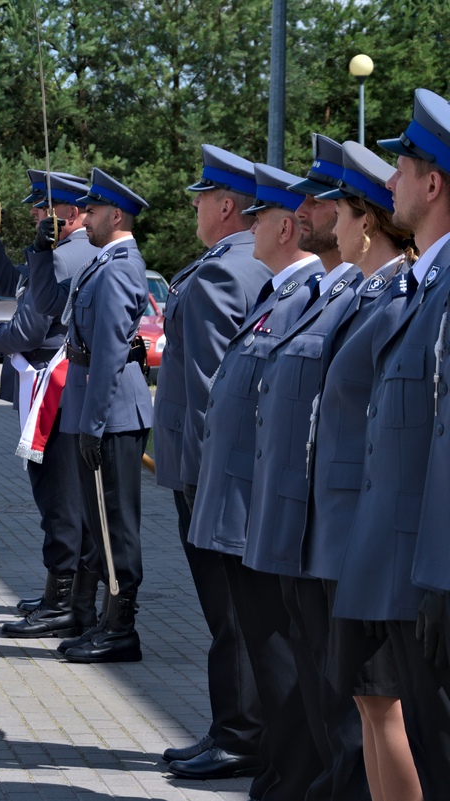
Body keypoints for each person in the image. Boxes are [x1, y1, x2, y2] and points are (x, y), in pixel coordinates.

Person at [188, 164, 325, 799]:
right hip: (246, 504)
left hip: (263, 509)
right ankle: (276, 768)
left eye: (258, 217)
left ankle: (287, 774)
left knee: (275, 654)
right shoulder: (277, 295)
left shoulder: (307, 298)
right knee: (267, 655)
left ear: (287, 226)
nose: (247, 227)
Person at [241, 135, 372, 801]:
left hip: (340, 533)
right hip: (303, 528)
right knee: (327, 701)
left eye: (322, 202)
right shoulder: (329, 293)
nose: (305, 210)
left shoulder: (367, 297)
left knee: (354, 710)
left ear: (363, 214)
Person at [336, 87, 450, 794]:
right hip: (399, 564)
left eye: (401, 169)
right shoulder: (420, 286)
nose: (389, 183)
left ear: (433, 182)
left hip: (428, 573)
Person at [304, 141, 421, 801]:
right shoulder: (369, 295)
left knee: (384, 702)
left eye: (340, 213)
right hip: (351, 530)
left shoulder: (397, 298)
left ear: (367, 220)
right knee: (367, 698)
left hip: (372, 535)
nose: (332, 225)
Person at [154, 145, 272, 784]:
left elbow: (208, 389)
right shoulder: (242, 265)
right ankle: (235, 729)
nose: (195, 208)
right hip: (222, 471)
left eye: (201, 198)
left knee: (229, 614)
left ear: (226, 206)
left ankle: (239, 735)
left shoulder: (224, 272)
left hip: (208, 472)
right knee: (237, 612)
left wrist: (199, 479)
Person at [29, 167, 153, 664]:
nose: (88, 218)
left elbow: (107, 352)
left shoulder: (122, 266)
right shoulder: (102, 262)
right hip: (96, 408)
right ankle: (99, 619)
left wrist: (95, 424)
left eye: (96, 210)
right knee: (101, 526)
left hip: (112, 414)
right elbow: (54, 306)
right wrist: (40, 253)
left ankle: (121, 629)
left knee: (115, 526)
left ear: (115, 214)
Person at [0, 170, 101, 638]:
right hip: (54, 389)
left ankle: (64, 598)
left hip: (56, 391)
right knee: (63, 497)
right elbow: (16, 283)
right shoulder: (59, 253)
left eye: (40, 207)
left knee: (59, 499)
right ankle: (62, 593)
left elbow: (27, 328)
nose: (31, 213)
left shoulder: (66, 257)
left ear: (69, 213)